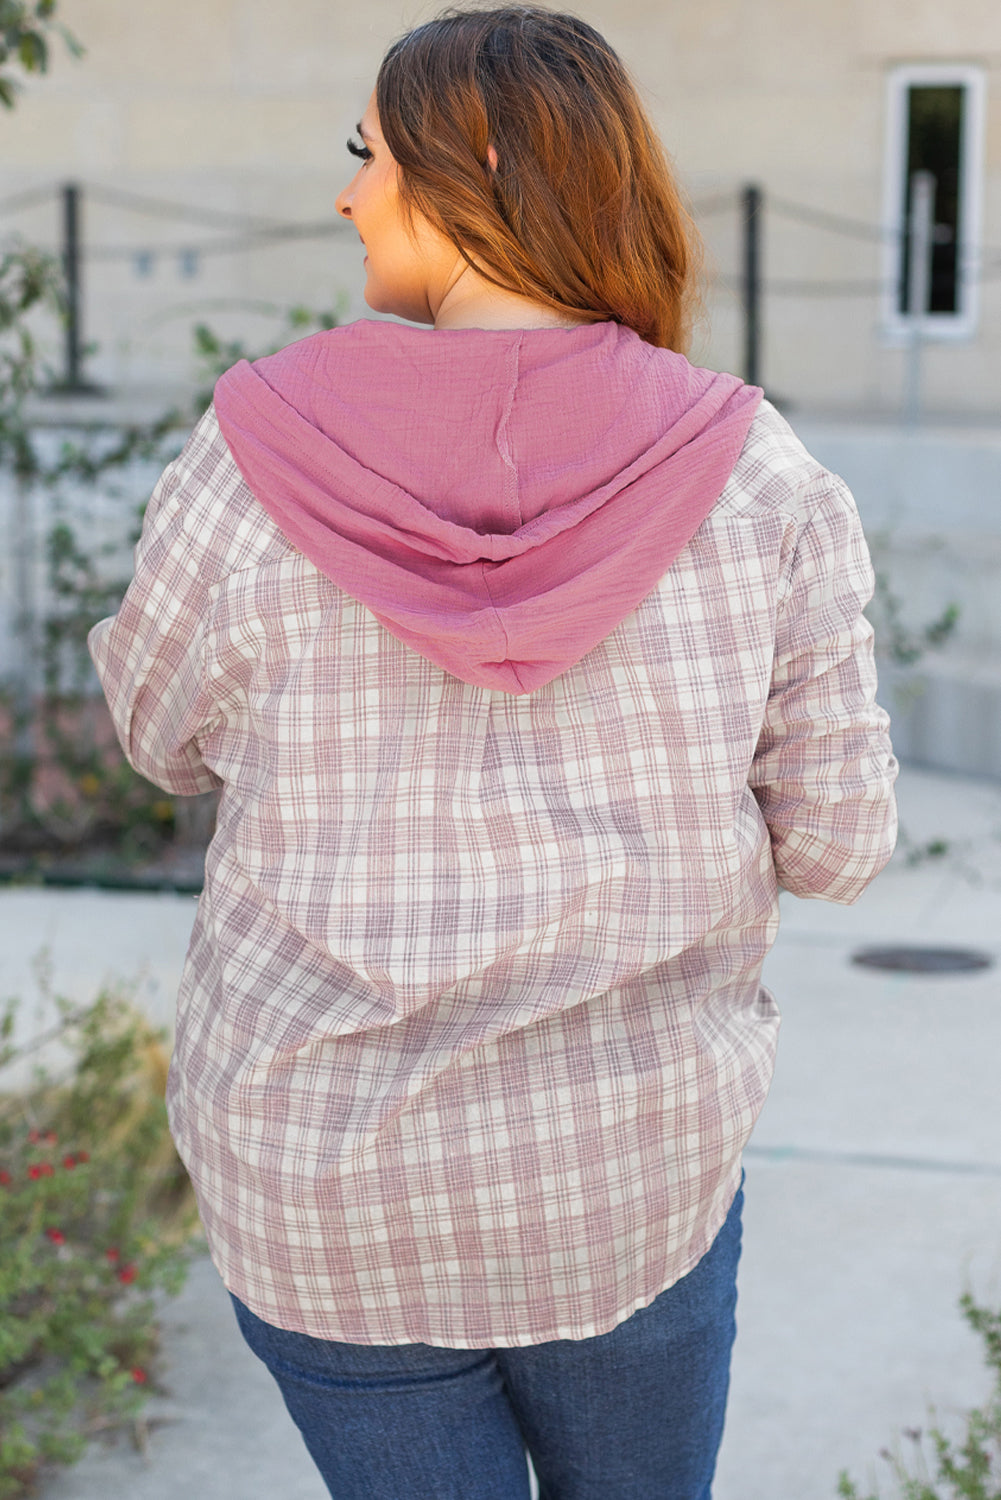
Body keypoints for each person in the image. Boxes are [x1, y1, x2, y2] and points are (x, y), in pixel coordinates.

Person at [88, 7, 898, 1497]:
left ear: (476, 177)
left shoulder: (253, 445)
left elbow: (157, 736)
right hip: (624, 1174)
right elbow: (840, 838)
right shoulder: (756, 469)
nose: (346, 194)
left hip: (323, 1177)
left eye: (367, 155)